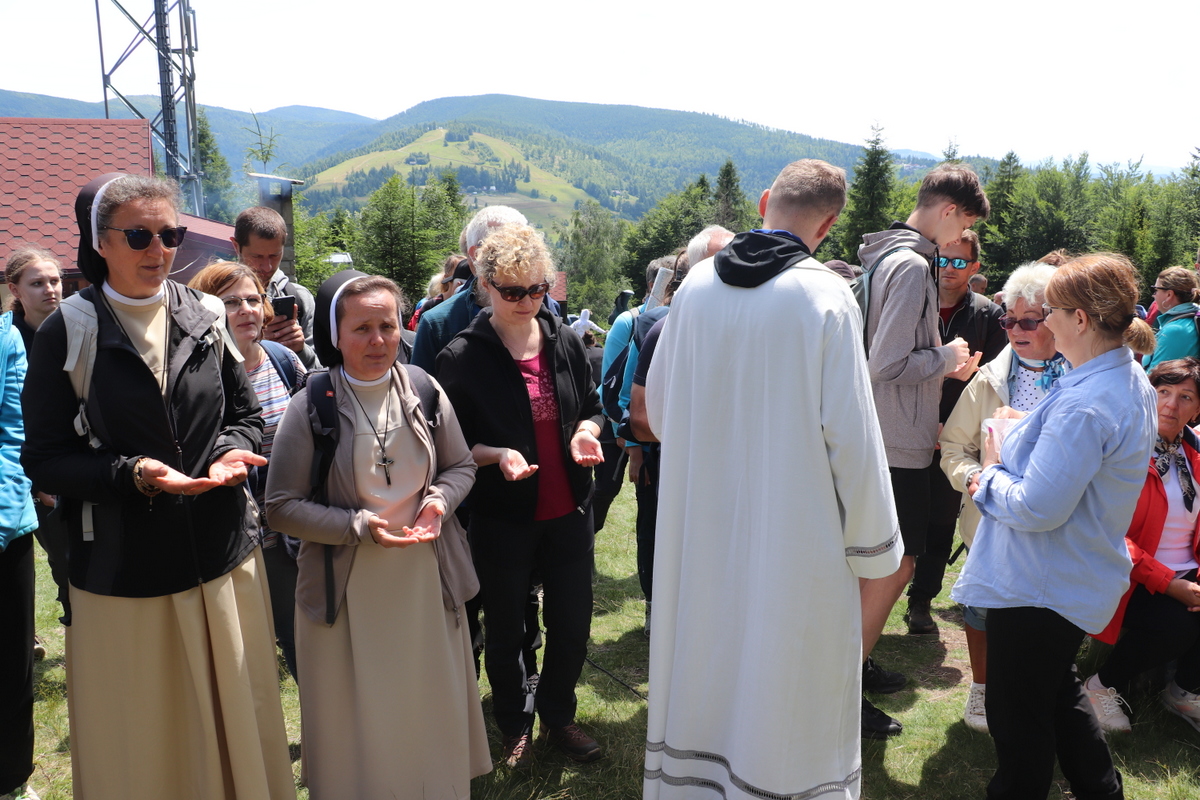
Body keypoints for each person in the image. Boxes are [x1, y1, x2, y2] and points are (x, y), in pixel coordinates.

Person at [20, 173, 293, 799]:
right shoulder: (69, 330)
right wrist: (132, 474)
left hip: (221, 556)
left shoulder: (205, 314)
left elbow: (244, 414)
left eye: (170, 235)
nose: (159, 249)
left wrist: (228, 452)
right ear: (101, 243)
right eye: (139, 235)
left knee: (235, 718)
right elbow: (46, 458)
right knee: (146, 738)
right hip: (126, 571)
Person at [642, 159, 901, 799]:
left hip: (703, 524)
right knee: (784, 677)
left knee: (709, 662)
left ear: (764, 203)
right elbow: (853, 438)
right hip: (796, 535)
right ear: (829, 225)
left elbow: (662, 413)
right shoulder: (825, 297)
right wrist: (877, 547)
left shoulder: (696, 286)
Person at [265, 271, 490, 798]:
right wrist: (358, 528)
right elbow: (280, 508)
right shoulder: (311, 404)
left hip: (424, 581)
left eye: (387, 326)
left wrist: (438, 502)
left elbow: (460, 467)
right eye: (361, 328)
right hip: (348, 589)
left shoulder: (424, 389)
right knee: (361, 719)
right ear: (335, 334)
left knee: (424, 705)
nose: (377, 340)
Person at [951, 253, 1157, 800]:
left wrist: (988, 476)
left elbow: (1038, 508)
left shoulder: (1089, 402)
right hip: (1061, 577)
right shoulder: (1121, 376)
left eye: (1050, 312)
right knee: (1057, 694)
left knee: (1019, 721)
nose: (1043, 321)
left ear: (1080, 320)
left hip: (1039, 585)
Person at [435, 224, 606, 769]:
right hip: (503, 517)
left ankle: (557, 715)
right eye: (513, 291)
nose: (527, 301)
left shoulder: (564, 340)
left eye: (537, 289)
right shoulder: (463, 355)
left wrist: (585, 433)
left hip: (569, 510)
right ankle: (514, 724)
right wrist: (496, 454)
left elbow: (594, 407)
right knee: (507, 629)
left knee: (572, 623)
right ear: (486, 285)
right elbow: (449, 444)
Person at [857, 163, 988, 737]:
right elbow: (885, 363)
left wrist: (939, 361)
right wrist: (947, 356)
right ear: (949, 211)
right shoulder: (912, 264)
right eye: (964, 226)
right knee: (897, 565)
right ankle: (843, 684)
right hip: (897, 442)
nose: (963, 238)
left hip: (882, 433)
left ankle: (853, 665)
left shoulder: (886, 253)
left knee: (875, 564)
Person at [938, 261, 1065, 732]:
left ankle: (1045, 691)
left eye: (1029, 321)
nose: (1015, 330)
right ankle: (982, 687)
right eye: (1009, 320)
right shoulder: (990, 378)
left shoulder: (1082, 375)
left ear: (1057, 320)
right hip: (992, 517)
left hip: (1058, 519)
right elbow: (954, 447)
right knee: (983, 607)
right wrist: (975, 478)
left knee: (1048, 613)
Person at [189, 261, 305, 681]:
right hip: (233, 535)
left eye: (253, 299)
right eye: (230, 302)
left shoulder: (283, 359)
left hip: (293, 533)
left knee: (303, 638)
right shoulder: (194, 376)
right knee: (243, 654)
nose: (246, 310)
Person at [1082, 357, 1200, 734]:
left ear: (1197, 409)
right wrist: (1169, 583)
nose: (1171, 404)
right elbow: (1106, 530)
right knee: (1179, 623)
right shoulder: (1124, 448)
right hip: (1126, 575)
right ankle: (1101, 685)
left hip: (1187, 573)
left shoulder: (1194, 455)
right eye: (1163, 392)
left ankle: (1184, 690)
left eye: (1186, 397)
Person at [905, 229, 1005, 636]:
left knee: (942, 520)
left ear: (974, 267)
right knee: (899, 515)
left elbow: (994, 381)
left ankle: (921, 601)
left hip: (957, 434)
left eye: (959, 262)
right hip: (905, 427)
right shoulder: (913, 301)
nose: (948, 268)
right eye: (942, 259)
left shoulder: (989, 316)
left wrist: (953, 426)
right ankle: (879, 594)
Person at [4, 248, 69, 623]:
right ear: (15, 289)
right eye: (38, 283)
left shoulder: (79, 327)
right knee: (66, 562)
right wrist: (35, 482)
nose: (50, 289)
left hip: (84, 463)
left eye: (55, 281)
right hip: (33, 476)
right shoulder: (7, 342)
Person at [0, 309, 38, 800]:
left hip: (4, 526)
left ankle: (10, 779)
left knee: (10, 661)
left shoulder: (6, 339)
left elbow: (16, 432)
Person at [231, 206, 318, 368]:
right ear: (236, 246)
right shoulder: (214, 299)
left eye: (275, 255)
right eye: (256, 256)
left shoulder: (300, 297)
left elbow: (319, 371)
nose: (267, 266)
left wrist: (300, 350)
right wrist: (254, 344)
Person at [1144, 266, 1200, 370]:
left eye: (1155, 290)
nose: (1154, 295)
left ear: (1169, 294)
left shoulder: (1175, 330)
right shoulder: (1190, 318)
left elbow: (1156, 376)